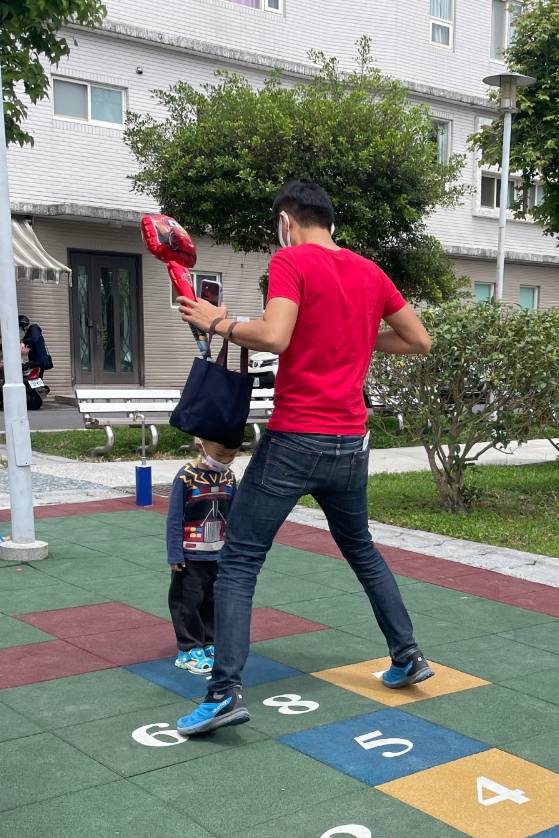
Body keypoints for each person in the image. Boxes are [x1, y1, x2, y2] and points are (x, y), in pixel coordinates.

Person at [173, 181, 434, 736]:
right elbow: (418, 341)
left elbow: (274, 336)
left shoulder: (291, 260)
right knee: (361, 549)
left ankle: (222, 693)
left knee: (240, 561)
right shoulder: (370, 272)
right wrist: (359, 339)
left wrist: (215, 321)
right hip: (349, 443)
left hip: (296, 439)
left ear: (287, 220)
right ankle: (407, 654)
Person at [167, 438, 238, 674]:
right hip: (191, 555)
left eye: (231, 456)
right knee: (188, 602)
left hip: (219, 553)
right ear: (201, 444)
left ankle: (209, 641)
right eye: (221, 454)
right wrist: (175, 554)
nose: (225, 461)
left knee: (213, 600)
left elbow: (234, 513)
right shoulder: (186, 477)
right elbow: (175, 517)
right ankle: (188, 649)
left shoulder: (228, 477)